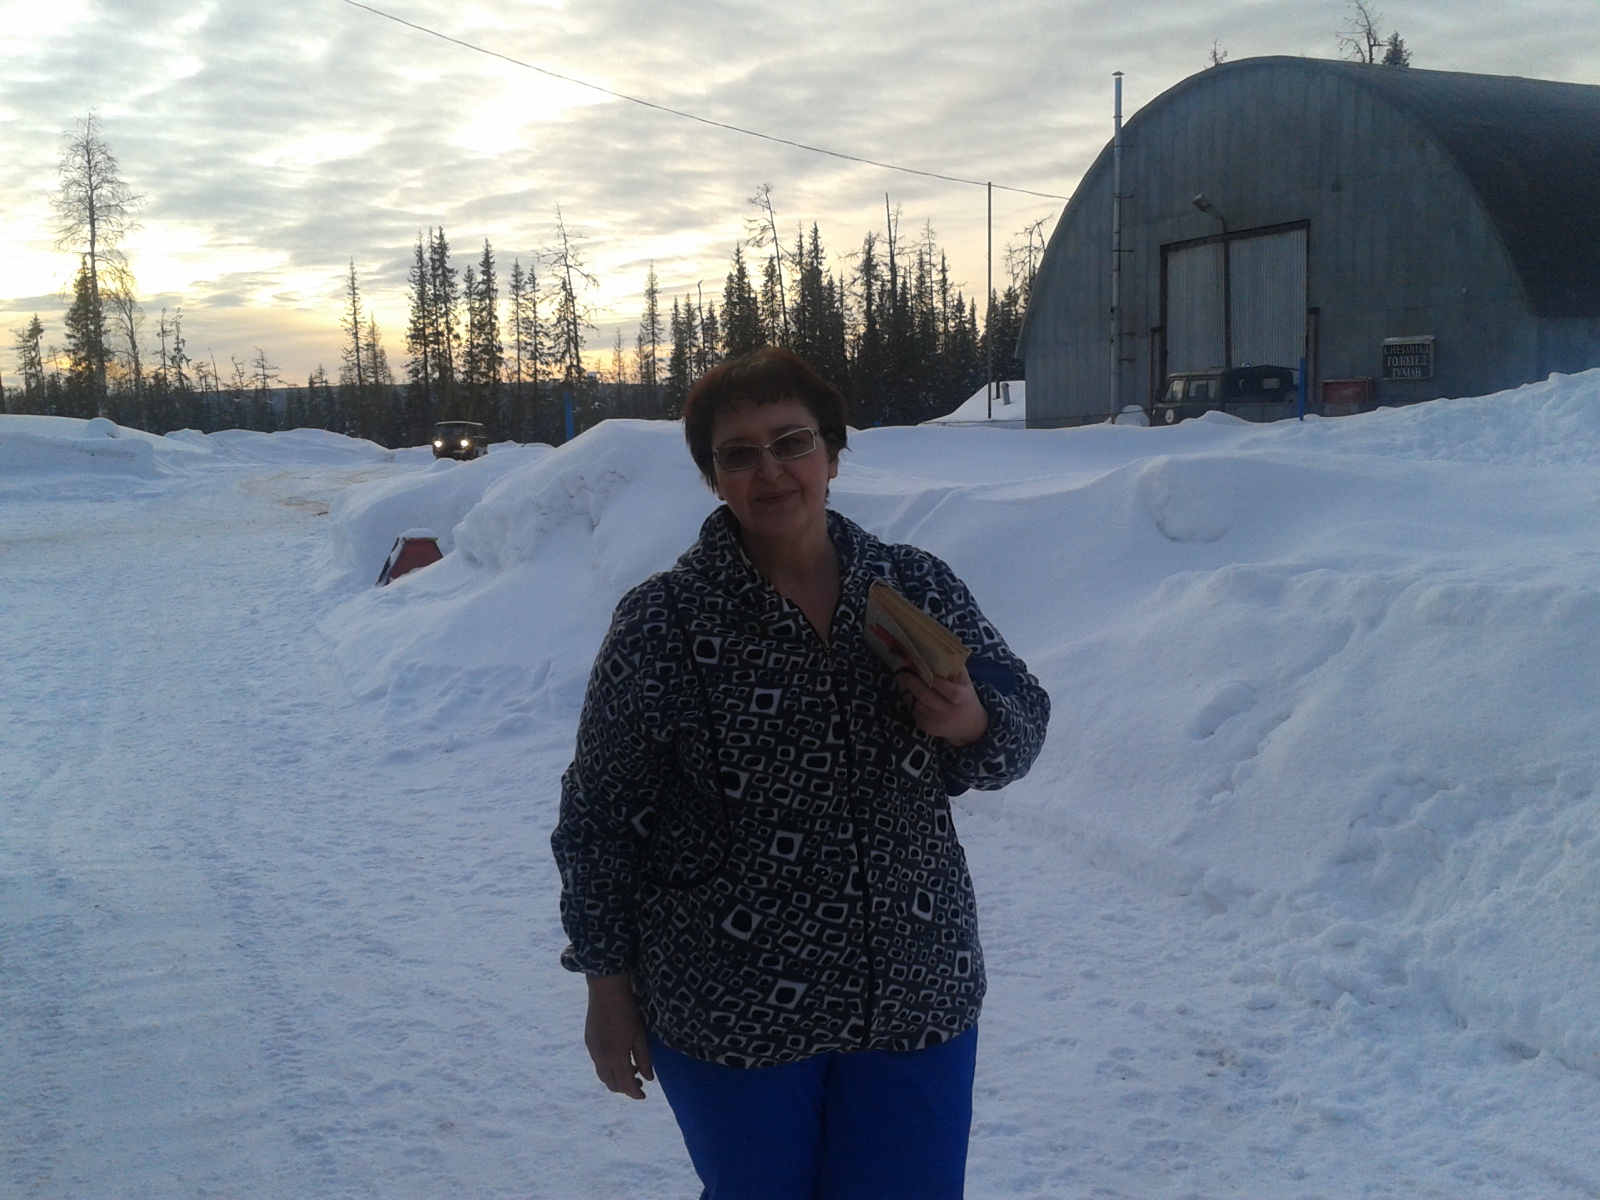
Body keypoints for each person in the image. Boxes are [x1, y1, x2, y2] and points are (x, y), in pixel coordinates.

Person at [552, 346, 1049, 1200]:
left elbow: (1022, 715)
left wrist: (972, 720)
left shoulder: (913, 583)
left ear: (833, 453)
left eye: (792, 442)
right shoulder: (662, 622)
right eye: (738, 454)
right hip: (729, 1006)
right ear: (713, 479)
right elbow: (599, 821)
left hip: (913, 990)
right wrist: (606, 987)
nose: (771, 470)